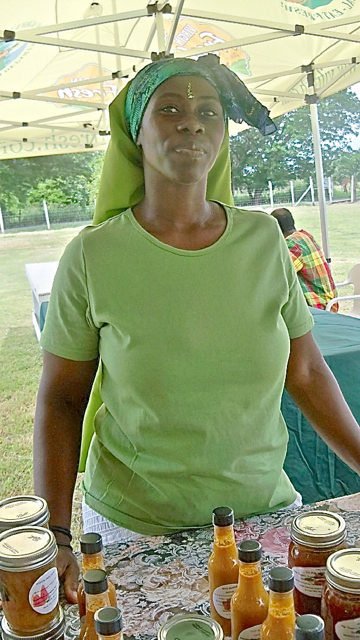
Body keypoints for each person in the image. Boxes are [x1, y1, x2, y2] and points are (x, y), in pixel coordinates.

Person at [33, 55, 360, 604]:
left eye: (208, 110)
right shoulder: (92, 256)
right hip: (136, 528)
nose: (192, 122)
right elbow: (61, 400)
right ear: (135, 134)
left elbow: (304, 371)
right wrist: (56, 535)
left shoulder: (263, 243)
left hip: (264, 514)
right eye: (170, 109)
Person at [271, 207, 338, 312]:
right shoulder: (304, 235)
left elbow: (280, 274)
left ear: (276, 228)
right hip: (328, 300)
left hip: (317, 305)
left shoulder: (292, 243)